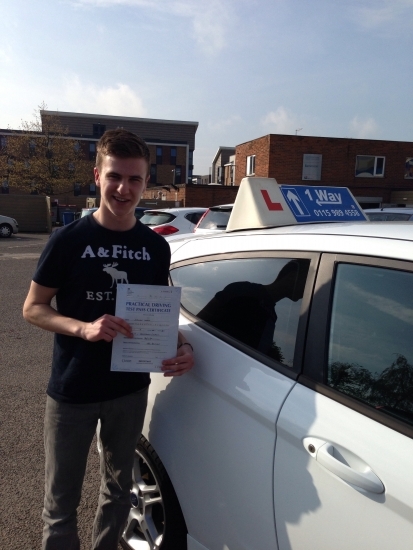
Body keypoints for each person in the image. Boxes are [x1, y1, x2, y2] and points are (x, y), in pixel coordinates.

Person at [23, 129, 194, 550]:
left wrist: (181, 346)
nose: (124, 188)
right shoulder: (68, 240)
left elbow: (158, 312)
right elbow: (33, 308)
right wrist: (83, 328)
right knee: (60, 503)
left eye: (135, 179)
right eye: (115, 176)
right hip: (72, 390)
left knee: (118, 492)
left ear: (146, 183)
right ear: (97, 175)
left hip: (128, 390)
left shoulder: (155, 248)